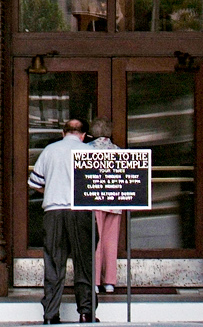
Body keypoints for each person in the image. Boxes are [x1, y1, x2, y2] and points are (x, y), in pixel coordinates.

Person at [28, 118, 95, 325]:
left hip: (54, 212)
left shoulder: (49, 150)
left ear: (63, 132)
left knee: (54, 264)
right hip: (81, 212)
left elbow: (34, 182)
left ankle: (50, 314)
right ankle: (86, 313)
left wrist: (53, 189)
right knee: (84, 263)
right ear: (83, 135)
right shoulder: (89, 152)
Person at [87, 118, 122, 294]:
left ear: (92, 132)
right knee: (110, 241)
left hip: (94, 200)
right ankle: (109, 282)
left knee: (95, 241)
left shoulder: (87, 150)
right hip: (115, 201)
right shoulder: (117, 151)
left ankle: (94, 281)